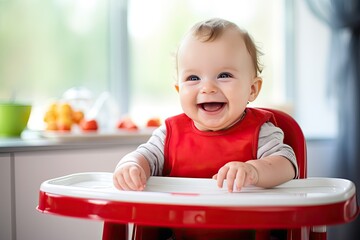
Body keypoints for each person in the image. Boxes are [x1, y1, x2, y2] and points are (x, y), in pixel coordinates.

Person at [113, 18, 298, 239]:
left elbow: (287, 164)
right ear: (178, 89)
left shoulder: (261, 131)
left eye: (224, 75)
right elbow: (144, 156)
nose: (208, 87)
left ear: (252, 89)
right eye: (193, 78)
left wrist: (255, 171)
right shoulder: (170, 134)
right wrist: (130, 165)